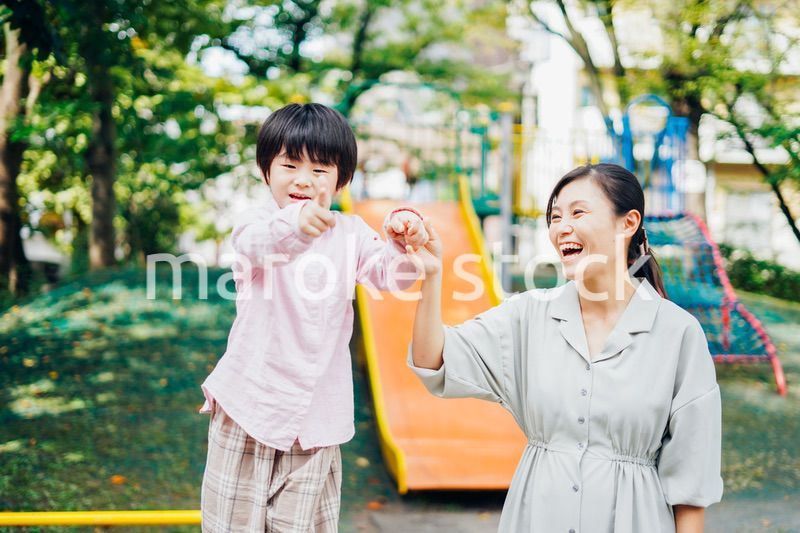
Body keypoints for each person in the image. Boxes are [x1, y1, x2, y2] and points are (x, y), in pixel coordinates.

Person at [407, 163, 723, 533]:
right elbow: (435, 360)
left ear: (628, 222)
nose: (561, 227)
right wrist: (431, 276)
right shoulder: (528, 315)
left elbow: (690, 484)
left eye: (578, 212)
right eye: (555, 216)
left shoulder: (677, 333)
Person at [200, 103, 428, 532]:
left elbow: (389, 277)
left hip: (317, 420)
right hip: (251, 407)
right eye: (289, 164)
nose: (303, 179)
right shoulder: (257, 223)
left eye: (320, 170)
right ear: (266, 171)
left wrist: (404, 239)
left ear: (341, 180)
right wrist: (299, 224)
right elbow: (263, 244)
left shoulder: (352, 233)